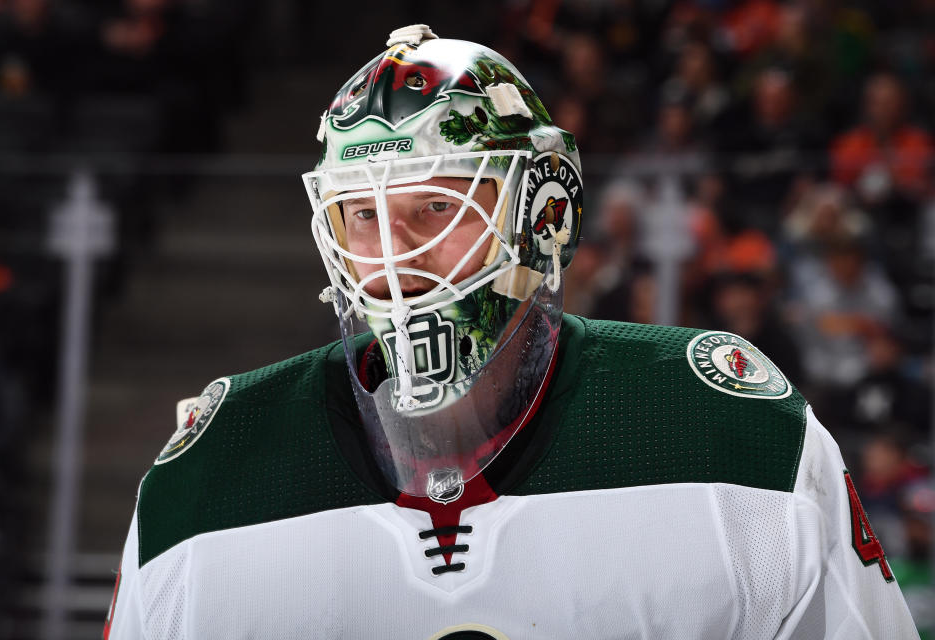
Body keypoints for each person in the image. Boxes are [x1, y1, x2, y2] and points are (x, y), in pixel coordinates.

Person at [104, 25, 919, 639]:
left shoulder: (729, 434)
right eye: (363, 215)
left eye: (438, 207)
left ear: (543, 215)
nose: (395, 257)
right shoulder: (206, 479)